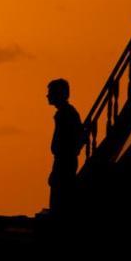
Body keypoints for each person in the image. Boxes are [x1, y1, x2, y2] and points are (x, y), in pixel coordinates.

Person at [46, 78, 84, 214]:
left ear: (60, 94)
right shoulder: (66, 113)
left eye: (51, 92)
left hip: (64, 161)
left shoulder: (66, 114)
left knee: (59, 199)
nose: (48, 95)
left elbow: (78, 137)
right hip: (63, 160)